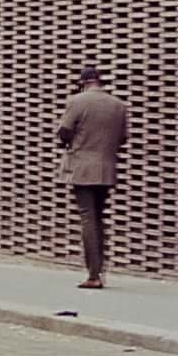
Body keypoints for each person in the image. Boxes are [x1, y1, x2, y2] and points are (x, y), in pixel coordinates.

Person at [54, 62, 129, 290]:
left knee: (88, 218)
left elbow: (64, 130)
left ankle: (93, 274)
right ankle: (99, 270)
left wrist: (69, 143)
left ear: (83, 82)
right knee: (98, 218)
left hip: (82, 168)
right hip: (106, 168)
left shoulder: (77, 101)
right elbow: (123, 138)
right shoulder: (118, 105)